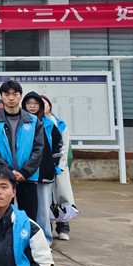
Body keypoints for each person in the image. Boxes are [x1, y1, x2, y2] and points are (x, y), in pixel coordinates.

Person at [0, 79, 43, 222]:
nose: (11, 98)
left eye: (15, 94)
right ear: (1, 96)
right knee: (1, 217)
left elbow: (38, 149)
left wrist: (25, 172)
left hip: (27, 177)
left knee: (29, 218)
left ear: (20, 96)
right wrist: (8, 171)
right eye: (6, 94)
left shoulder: (33, 121)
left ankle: (27, 238)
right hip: (2, 178)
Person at [23, 91, 63, 244]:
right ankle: (27, 238)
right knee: (27, 208)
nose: (32, 106)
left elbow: (58, 143)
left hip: (44, 171)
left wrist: (53, 162)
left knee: (44, 209)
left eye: (35, 103)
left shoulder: (48, 123)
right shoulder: (21, 122)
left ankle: (45, 240)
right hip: (26, 173)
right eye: (29, 103)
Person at [44, 96, 77, 241]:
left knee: (61, 198)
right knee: (46, 200)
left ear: (50, 106)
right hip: (43, 168)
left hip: (59, 167)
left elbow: (65, 146)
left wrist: (59, 165)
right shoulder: (34, 122)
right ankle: (48, 229)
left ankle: (63, 228)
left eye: (44, 103)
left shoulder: (60, 124)